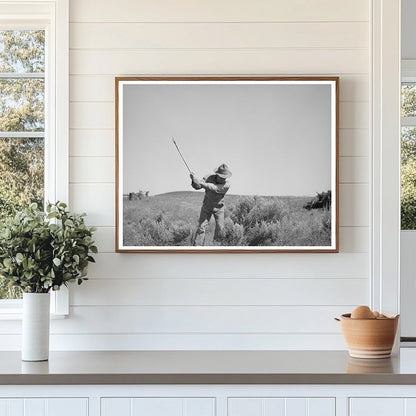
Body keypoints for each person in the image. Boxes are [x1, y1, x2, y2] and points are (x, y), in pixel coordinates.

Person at [190, 163, 232, 246]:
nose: (223, 179)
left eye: (225, 177)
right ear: (217, 174)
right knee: (201, 228)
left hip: (219, 209)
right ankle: (197, 248)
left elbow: (215, 188)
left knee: (220, 228)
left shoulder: (226, 185)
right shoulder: (208, 177)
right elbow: (198, 186)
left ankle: (216, 247)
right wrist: (194, 179)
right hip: (207, 207)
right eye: (222, 177)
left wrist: (201, 184)